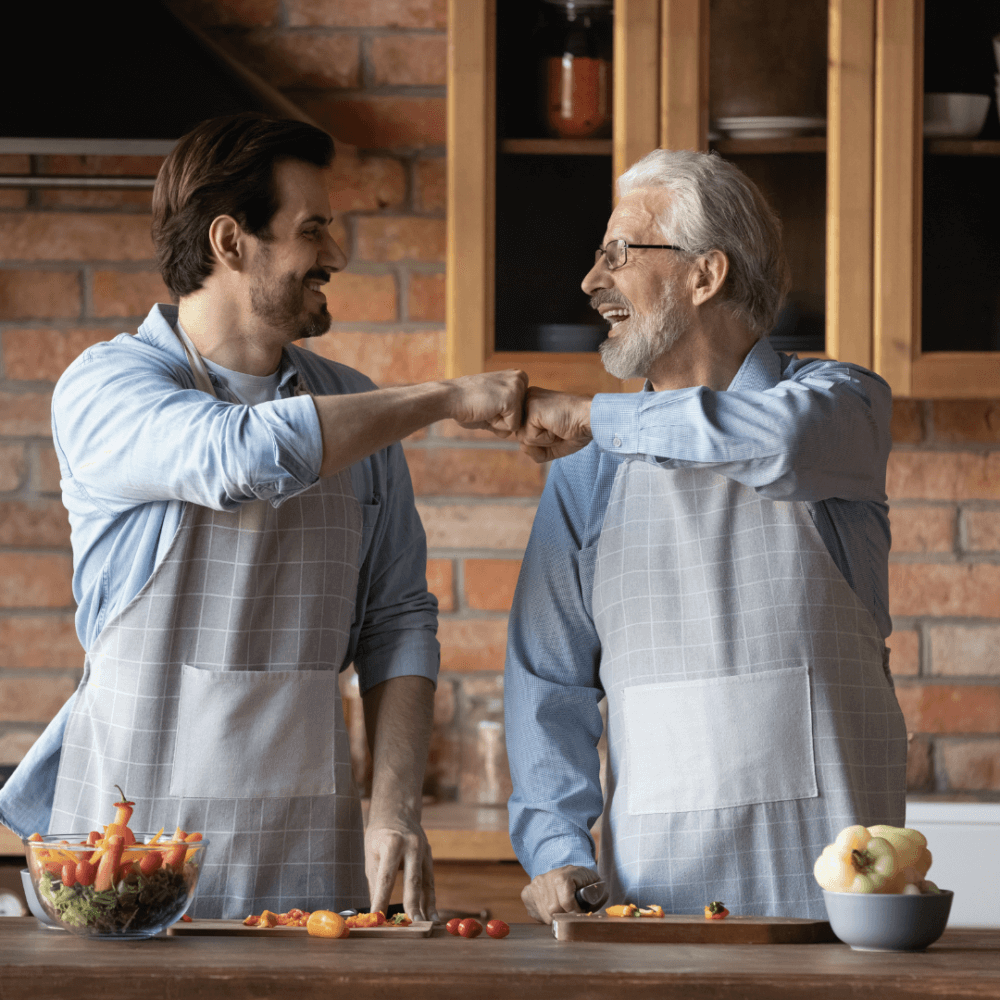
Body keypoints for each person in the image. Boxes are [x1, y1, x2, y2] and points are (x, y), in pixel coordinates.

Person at [0, 113, 526, 921]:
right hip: (122, 868)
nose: (337, 256)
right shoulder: (106, 387)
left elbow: (398, 622)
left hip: (304, 863)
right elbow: (240, 455)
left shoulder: (355, 408)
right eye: (312, 230)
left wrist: (393, 812)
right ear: (230, 241)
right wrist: (446, 397)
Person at [506, 148, 907, 924]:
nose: (593, 282)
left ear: (704, 274)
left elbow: (779, 442)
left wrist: (597, 415)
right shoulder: (587, 472)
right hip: (653, 919)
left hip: (837, 915)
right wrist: (558, 849)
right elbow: (547, 682)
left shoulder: (839, 406)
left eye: (617, 255)